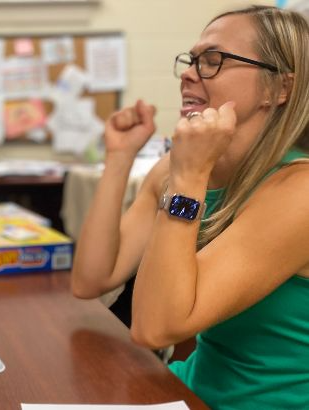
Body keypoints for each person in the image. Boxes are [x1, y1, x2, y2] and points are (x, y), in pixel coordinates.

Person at [71, 5, 309, 409]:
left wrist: (189, 177)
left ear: (279, 89)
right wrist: (119, 156)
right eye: (192, 59)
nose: (188, 72)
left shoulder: (298, 192)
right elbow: (91, 280)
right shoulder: (182, 168)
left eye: (213, 61)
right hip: (187, 391)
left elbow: (154, 330)